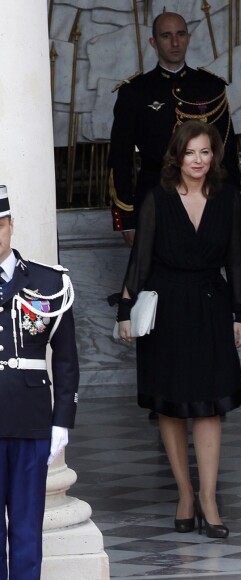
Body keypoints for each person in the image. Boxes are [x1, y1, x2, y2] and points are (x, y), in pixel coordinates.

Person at [117, 120, 241, 538]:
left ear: (214, 156)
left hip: (213, 306)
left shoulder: (227, 197)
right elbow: (140, 259)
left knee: (211, 404)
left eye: (205, 152)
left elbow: (237, 260)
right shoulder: (157, 198)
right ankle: (184, 494)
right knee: (171, 404)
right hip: (166, 309)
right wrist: (126, 309)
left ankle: (210, 499)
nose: (198, 160)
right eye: (190, 152)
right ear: (176, 156)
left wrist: (240, 314)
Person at [108, 10, 241, 246]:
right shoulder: (135, 91)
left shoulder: (211, 86)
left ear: (189, 38)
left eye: (180, 34)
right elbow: (120, 156)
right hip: (153, 195)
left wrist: (231, 207)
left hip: (206, 198)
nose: (175, 42)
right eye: (166, 35)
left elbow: (227, 151)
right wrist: (126, 218)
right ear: (153, 42)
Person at [0, 185, 78, 579]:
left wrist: (63, 419)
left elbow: (65, 359)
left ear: (11, 224)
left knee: (29, 527)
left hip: (31, 421)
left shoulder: (49, 283)